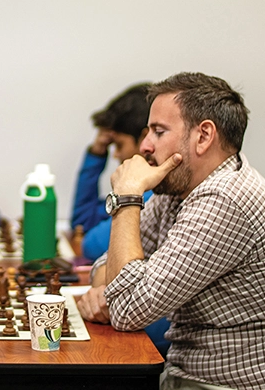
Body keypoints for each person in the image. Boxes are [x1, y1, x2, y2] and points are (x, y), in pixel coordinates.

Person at [77, 73, 265, 390]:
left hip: (250, 385)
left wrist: (127, 198)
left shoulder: (226, 201)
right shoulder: (178, 189)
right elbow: (107, 267)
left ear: (203, 136)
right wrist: (109, 288)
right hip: (198, 375)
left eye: (158, 132)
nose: (145, 145)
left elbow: (125, 308)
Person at [69, 82, 171, 356]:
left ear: (143, 140)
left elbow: (90, 243)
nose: (115, 154)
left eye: (118, 144)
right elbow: (83, 223)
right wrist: (96, 153)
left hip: (157, 339)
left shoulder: (153, 195)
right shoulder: (141, 193)